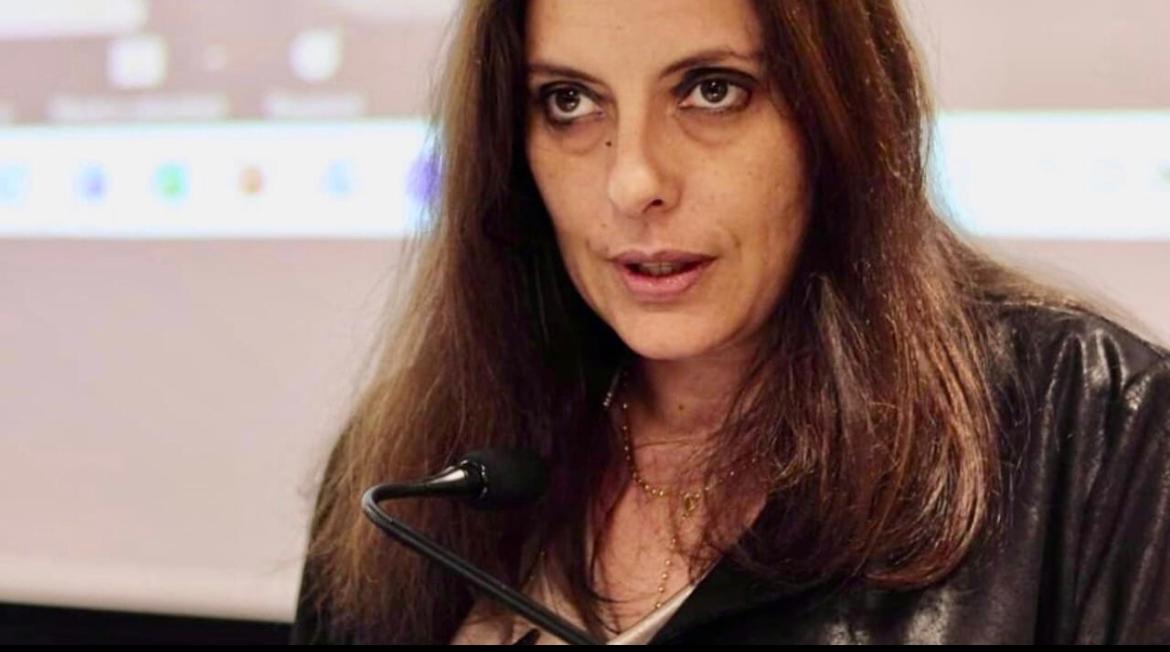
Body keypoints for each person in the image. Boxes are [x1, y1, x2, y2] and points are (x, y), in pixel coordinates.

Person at [291, 0, 1170, 644]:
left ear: (839, 115)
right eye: (569, 102)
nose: (633, 181)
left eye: (712, 90)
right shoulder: (418, 473)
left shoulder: (1098, 427)